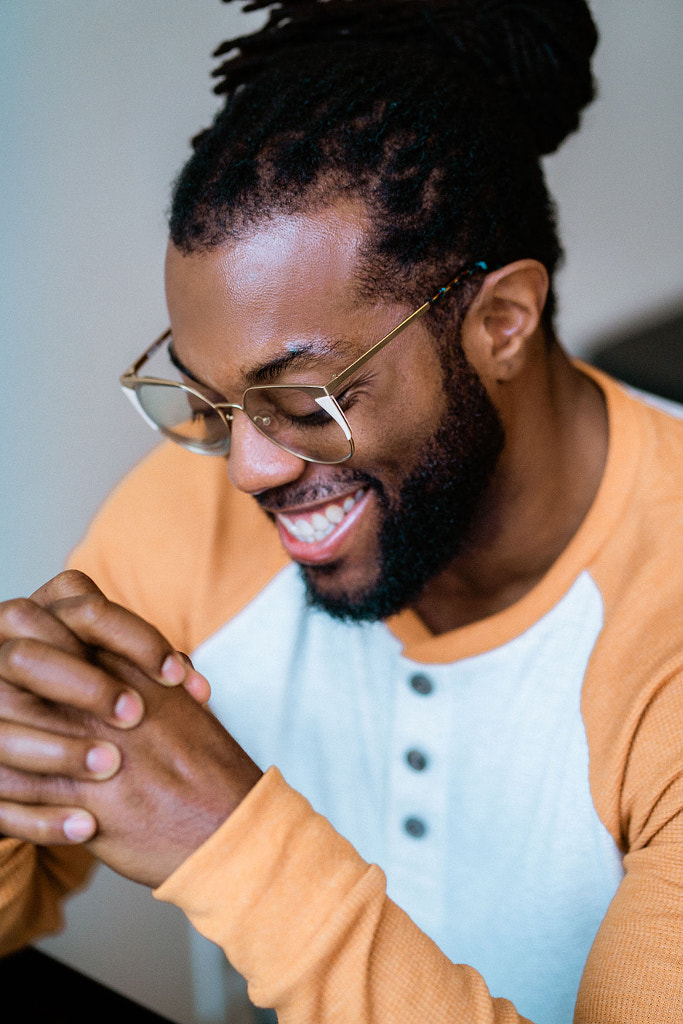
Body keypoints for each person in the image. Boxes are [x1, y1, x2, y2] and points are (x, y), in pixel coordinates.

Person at [1, 1, 682, 1021]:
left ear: (500, 322)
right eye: (210, 401)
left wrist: (226, 840)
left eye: (302, 398)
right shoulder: (189, 523)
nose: (246, 468)